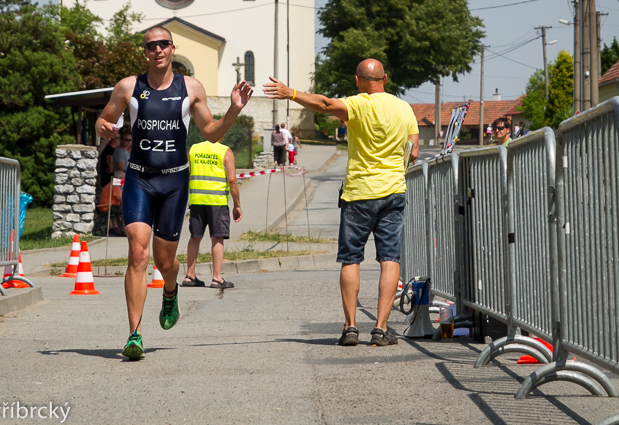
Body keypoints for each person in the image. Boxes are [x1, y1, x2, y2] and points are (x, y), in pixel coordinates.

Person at [95, 26, 252, 360]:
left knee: (166, 261)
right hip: (139, 179)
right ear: (146, 52)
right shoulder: (128, 86)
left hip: (174, 183)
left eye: (164, 44)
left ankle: (170, 289)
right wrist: (103, 127)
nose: (158, 50)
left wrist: (235, 108)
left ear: (172, 47)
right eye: (152, 46)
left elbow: (210, 133)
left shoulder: (190, 87)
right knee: (138, 253)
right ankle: (134, 334)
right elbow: (104, 121)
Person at [264, 59, 418, 348]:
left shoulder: (357, 105)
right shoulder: (404, 108)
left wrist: (291, 93)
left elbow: (323, 104)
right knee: (390, 260)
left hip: (359, 193)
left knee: (351, 259)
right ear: (385, 78)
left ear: (357, 81)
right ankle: (382, 329)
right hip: (393, 192)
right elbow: (415, 151)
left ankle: (350, 327)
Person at [182, 139, 242, 289]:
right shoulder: (225, 151)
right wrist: (237, 205)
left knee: (195, 237)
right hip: (217, 202)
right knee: (217, 239)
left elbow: (185, 174)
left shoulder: (194, 149)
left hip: (196, 200)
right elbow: (232, 180)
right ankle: (216, 278)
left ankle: (190, 276)